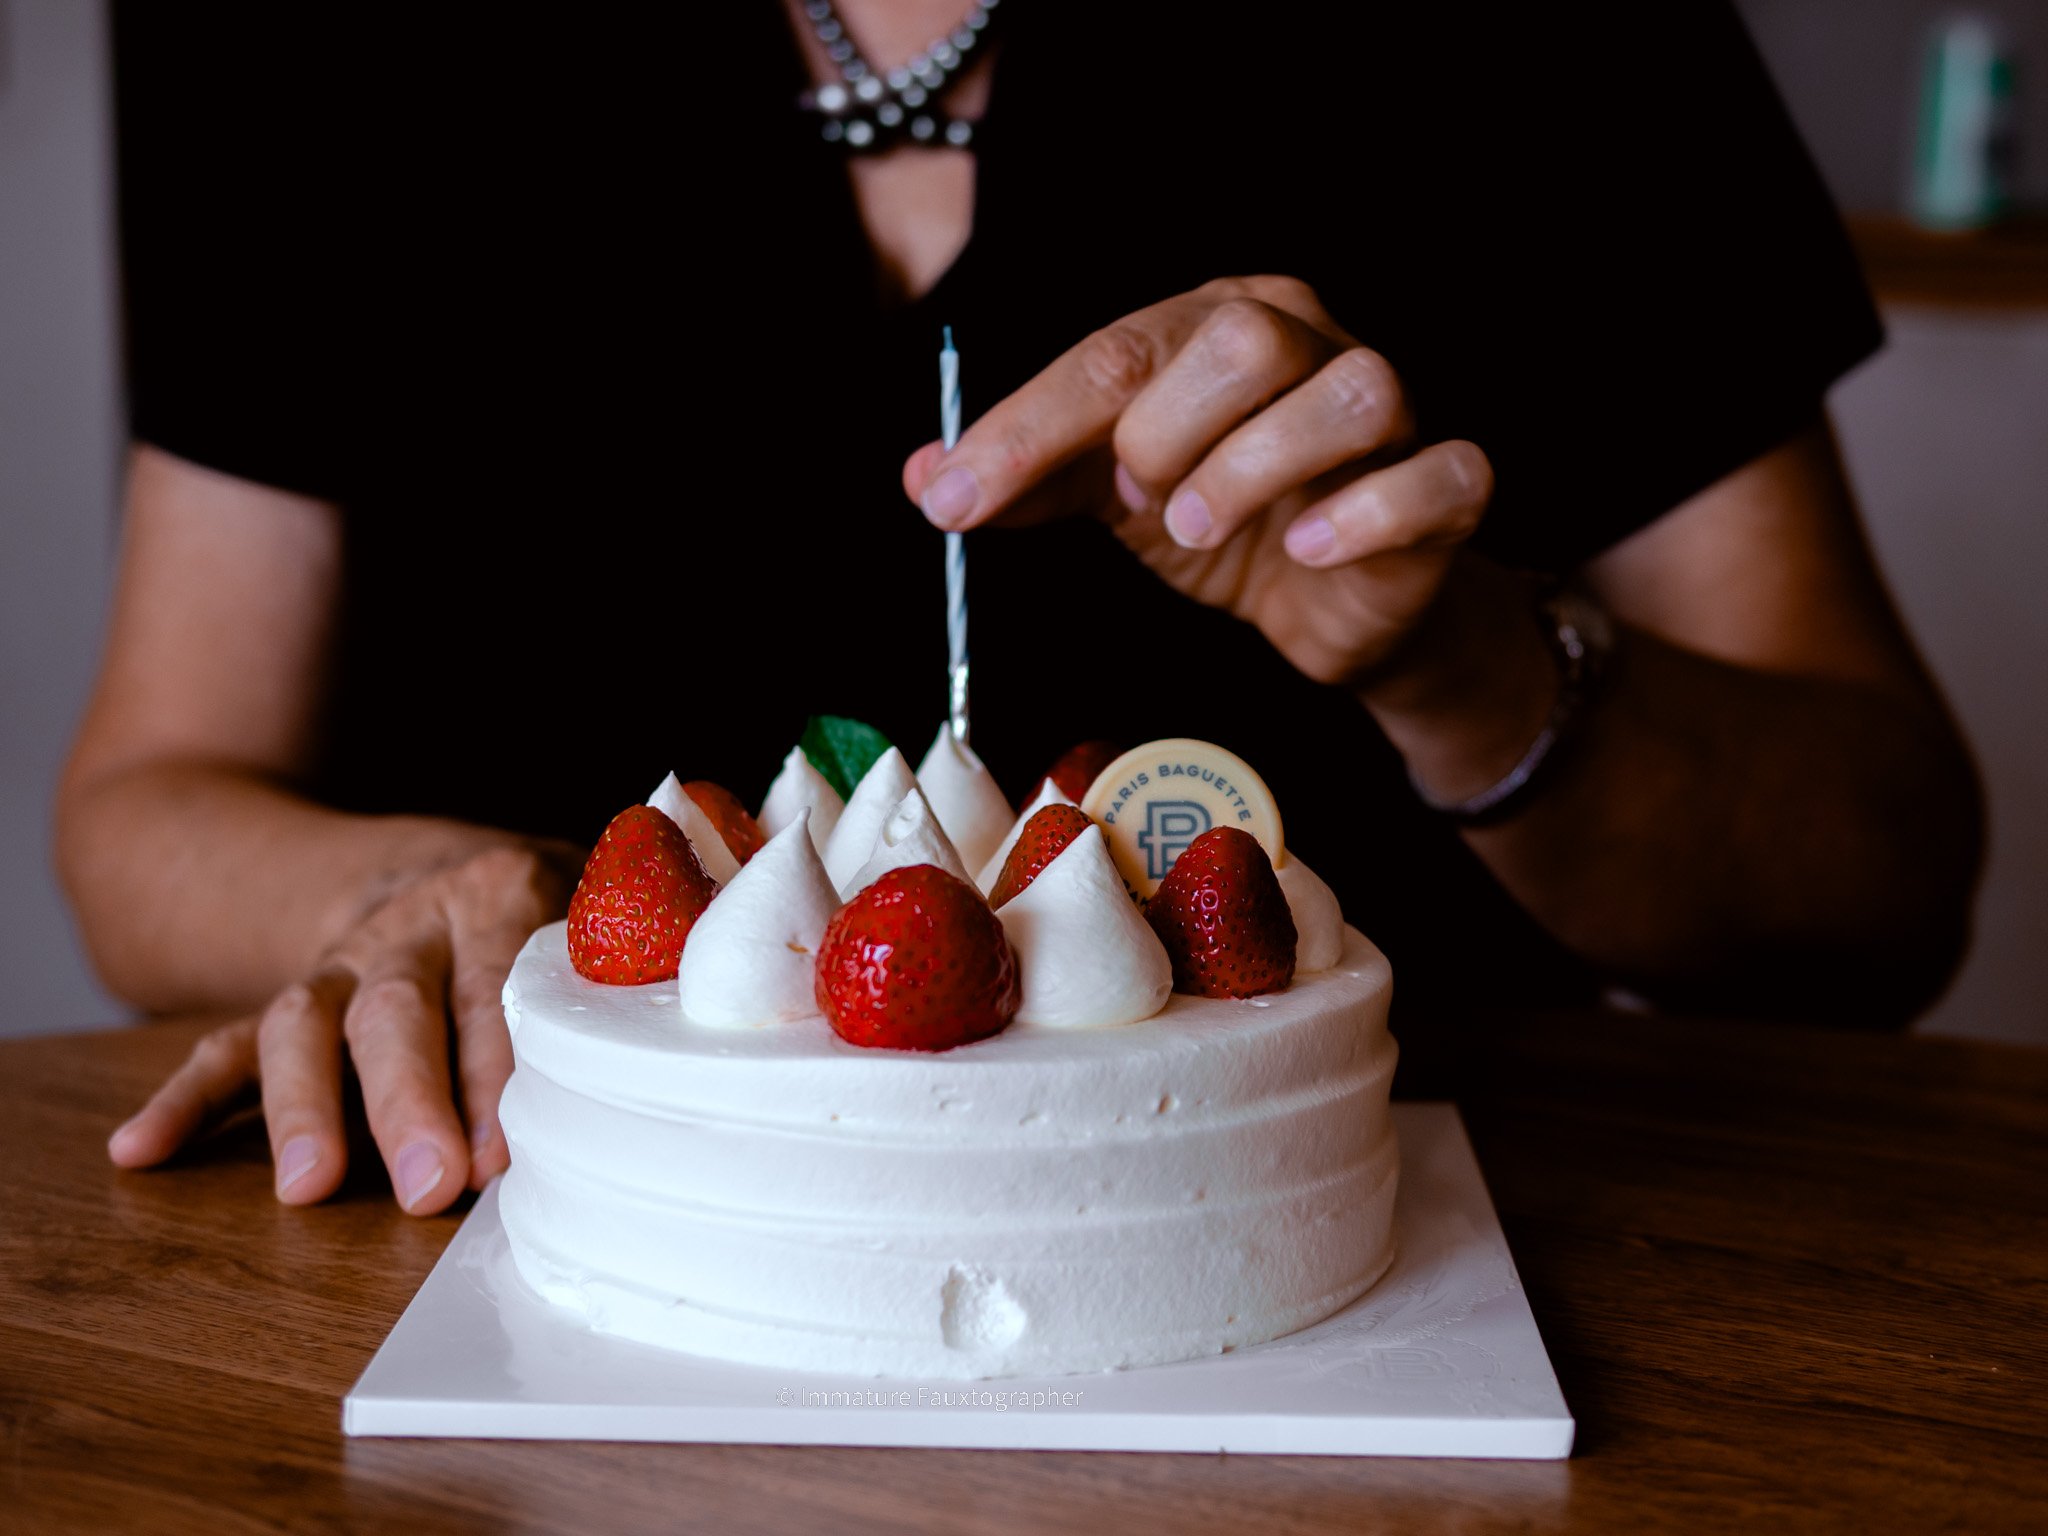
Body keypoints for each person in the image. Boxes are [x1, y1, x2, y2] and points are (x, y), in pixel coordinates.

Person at [60, 2, 1982, 1216]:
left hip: (1383, 1309)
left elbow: (1881, 896)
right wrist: (434, 900)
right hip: (532, 1272)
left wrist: (1469, 666)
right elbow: (142, 811)